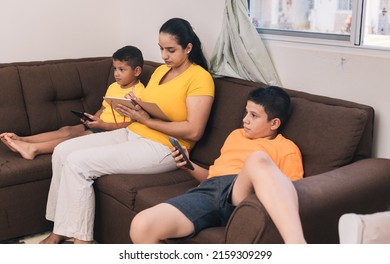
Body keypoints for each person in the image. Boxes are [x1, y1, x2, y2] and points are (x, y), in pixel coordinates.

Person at [40, 17, 215, 244]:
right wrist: (136, 106)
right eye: (161, 48)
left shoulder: (200, 78)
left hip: (164, 147)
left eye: (171, 50)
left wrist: (146, 119)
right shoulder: (161, 71)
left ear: (188, 48)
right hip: (134, 131)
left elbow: (193, 131)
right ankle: (59, 230)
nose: (164, 56)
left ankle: (82, 243)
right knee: (63, 151)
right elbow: (154, 108)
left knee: (78, 164)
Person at [130, 86, 307, 244]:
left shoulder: (286, 148)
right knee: (141, 225)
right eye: (246, 113)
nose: (245, 120)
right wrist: (188, 164)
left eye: (254, 116)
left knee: (258, 159)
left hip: (244, 193)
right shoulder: (236, 135)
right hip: (209, 192)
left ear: (274, 123)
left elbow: (290, 192)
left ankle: (297, 247)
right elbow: (213, 177)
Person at [0, 45, 145, 160]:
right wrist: (93, 118)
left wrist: (104, 125)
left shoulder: (139, 92)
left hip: (113, 132)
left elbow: (135, 124)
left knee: (73, 137)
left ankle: (33, 150)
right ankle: (23, 139)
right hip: (100, 125)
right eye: (115, 69)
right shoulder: (113, 86)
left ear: (137, 71)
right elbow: (103, 107)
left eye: (122, 69)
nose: (116, 73)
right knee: (66, 130)